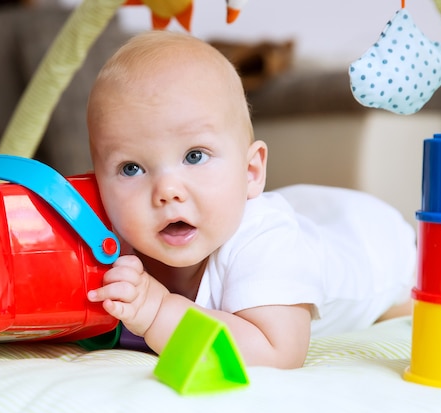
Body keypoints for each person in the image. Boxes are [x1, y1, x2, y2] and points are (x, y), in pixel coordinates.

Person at [85, 30, 416, 369]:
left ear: (251, 171)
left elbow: (277, 352)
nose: (167, 191)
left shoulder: (266, 243)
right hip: (305, 209)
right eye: (131, 168)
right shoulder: (113, 239)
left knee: (402, 305)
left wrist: (158, 312)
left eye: (195, 156)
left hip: (371, 241)